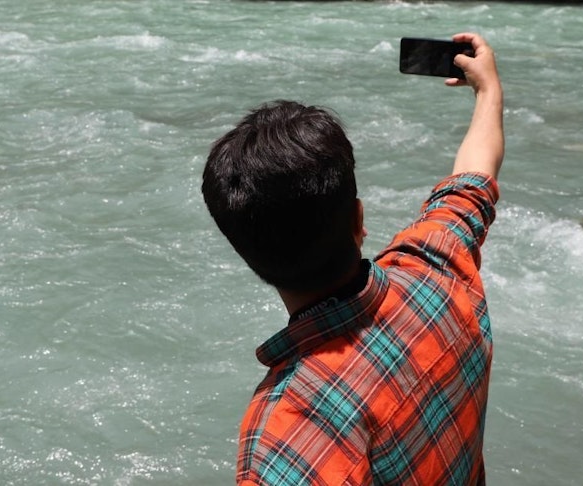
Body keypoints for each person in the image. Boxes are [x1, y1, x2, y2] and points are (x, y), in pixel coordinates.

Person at [201, 32, 504, 486]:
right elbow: (473, 177)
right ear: (359, 219)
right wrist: (489, 92)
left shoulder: (291, 429)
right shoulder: (437, 264)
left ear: (248, 257)